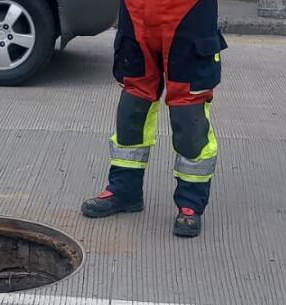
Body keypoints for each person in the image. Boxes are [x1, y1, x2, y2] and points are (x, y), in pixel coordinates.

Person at [81, 0, 227, 237]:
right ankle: (124, 190)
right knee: (133, 106)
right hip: (136, 11)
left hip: (188, 11)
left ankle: (190, 203)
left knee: (188, 115)